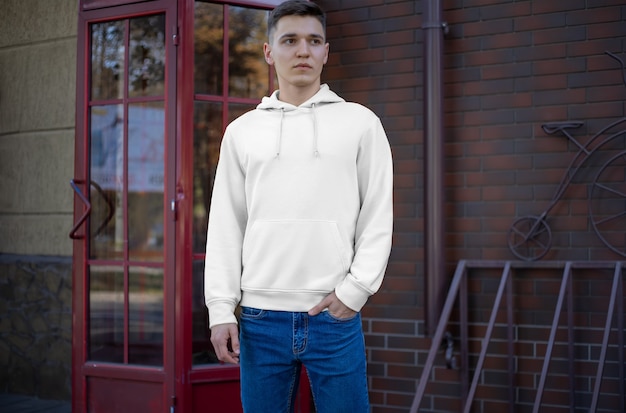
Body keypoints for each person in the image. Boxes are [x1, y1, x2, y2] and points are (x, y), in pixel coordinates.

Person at [204, 1, 393, 411]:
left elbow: (377, 215)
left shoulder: (361, 123)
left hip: (334, 317)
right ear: (270, 52)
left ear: (326, 51)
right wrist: (221, 308)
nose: (302, 51)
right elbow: (225, 224)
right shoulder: (242, 132)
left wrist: (356, 290)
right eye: (290, 40)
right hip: (258, 320)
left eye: (314, 41)